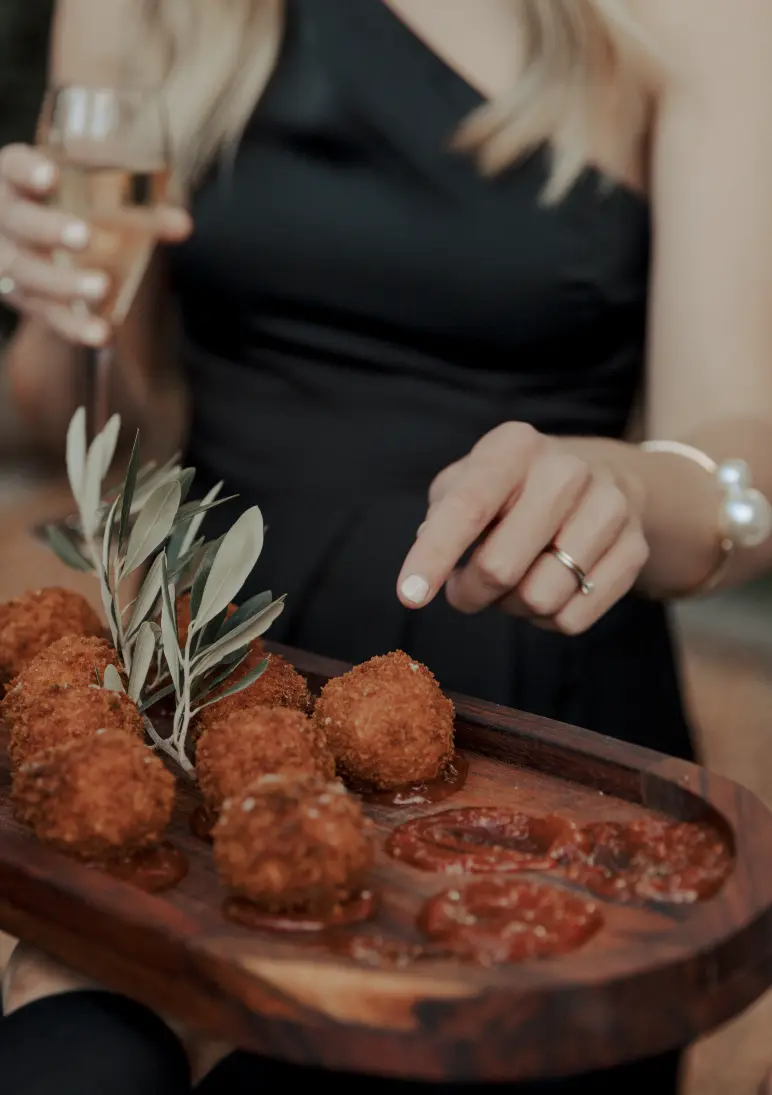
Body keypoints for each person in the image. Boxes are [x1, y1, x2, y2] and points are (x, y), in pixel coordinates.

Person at [2, 0, 772, 1091]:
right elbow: (70, 418)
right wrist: (51, 301)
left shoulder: (703, 19)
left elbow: (739, 453)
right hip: (198, 707)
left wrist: (631, 487)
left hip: (540, 752)